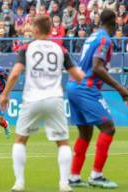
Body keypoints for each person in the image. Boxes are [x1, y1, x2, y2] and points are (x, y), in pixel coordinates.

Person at [0, 15, 85, 192]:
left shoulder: (26, 48)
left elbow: (15, 73)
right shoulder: (60, 49)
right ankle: (64, 184)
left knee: (20, 140)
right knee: (62, 142)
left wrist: (5, 94)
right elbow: (78, 76)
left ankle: (19, 183)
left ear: (36, 30)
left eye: (31, 27)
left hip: (32, 99)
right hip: (55, 99)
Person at [67, 9, 128, 189]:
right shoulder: (104, 39)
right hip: (86, 87)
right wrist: (120, 88)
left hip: (73, 85)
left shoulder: (92, 36)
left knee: (85, 133)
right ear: (115, 21)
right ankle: (96, 175)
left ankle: (74, 177)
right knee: (108, 127)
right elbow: (97, 67)